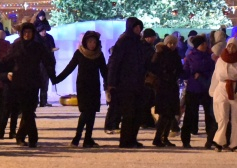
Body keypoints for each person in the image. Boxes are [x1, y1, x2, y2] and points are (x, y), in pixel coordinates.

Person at [52, 30, 107, 148]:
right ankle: (76, 138)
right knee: (85, 112)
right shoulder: (79, 53)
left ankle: (88, 139)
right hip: (83, 86)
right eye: (90, 41)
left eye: (94, 42)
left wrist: (109, 85)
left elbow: (104, 72)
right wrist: (57, 79)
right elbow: (69, 68)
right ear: (85, 42)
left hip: (94, 86)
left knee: (92, 113)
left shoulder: (99, 54)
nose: (92, 44)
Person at [7, 22, 55, 148]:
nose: (27, 35)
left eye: (29, 32)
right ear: (22, 33)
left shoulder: (38, 47)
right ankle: (33, 137)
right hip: (19, 82)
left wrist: (53, 75)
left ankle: (20, 136)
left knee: (29, 110)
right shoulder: (16, 45)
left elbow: (48, 61)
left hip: (33, 82)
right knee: (26, 111)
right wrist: (6, 72)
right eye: (25, 32)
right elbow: (7, 61)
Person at [107, 17, 151, 149]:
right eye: (136, 27)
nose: (138, 29)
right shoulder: (124, 41)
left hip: (138, 82)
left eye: (139, 27)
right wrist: (111, 83)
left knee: (138, 112)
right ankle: (125, 140)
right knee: (128, 113)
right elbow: (115, 63)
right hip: (125, 84)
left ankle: (133, 138)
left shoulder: (139, 42)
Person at [211, 37, 237, 151]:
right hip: (222, 89)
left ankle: (236, 143)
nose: (231, 48)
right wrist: (213, 90)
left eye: (234, 46)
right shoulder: (220, 60)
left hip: (236, 89)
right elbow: (216, 75)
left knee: (236, 118)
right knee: (222, 117)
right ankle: (219, 141)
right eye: (230, 46)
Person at [180, 35, 216, 149]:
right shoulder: (190, 57)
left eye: (205, 43)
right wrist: (191, 74)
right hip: (193, 89)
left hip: (207, 89)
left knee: (210, 116)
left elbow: (213, 71)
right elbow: (185, 72)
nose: (205, 45)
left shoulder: (209, 57)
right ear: (197, 46)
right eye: (202, 44)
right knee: (190, 115)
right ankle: (185, 140)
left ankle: (211, 139)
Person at [150, 40, 183, 147]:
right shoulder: (160, 54)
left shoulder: (176, 55)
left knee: (171, 114)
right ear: (166, 44)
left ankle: (164, 137)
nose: (172, 45)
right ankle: (158, 138)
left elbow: (179, 69)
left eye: (174, 43)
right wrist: (164, 75)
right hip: (162, 87)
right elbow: (153, 69)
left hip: (172, 86)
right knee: (164, 114)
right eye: (170, 43)